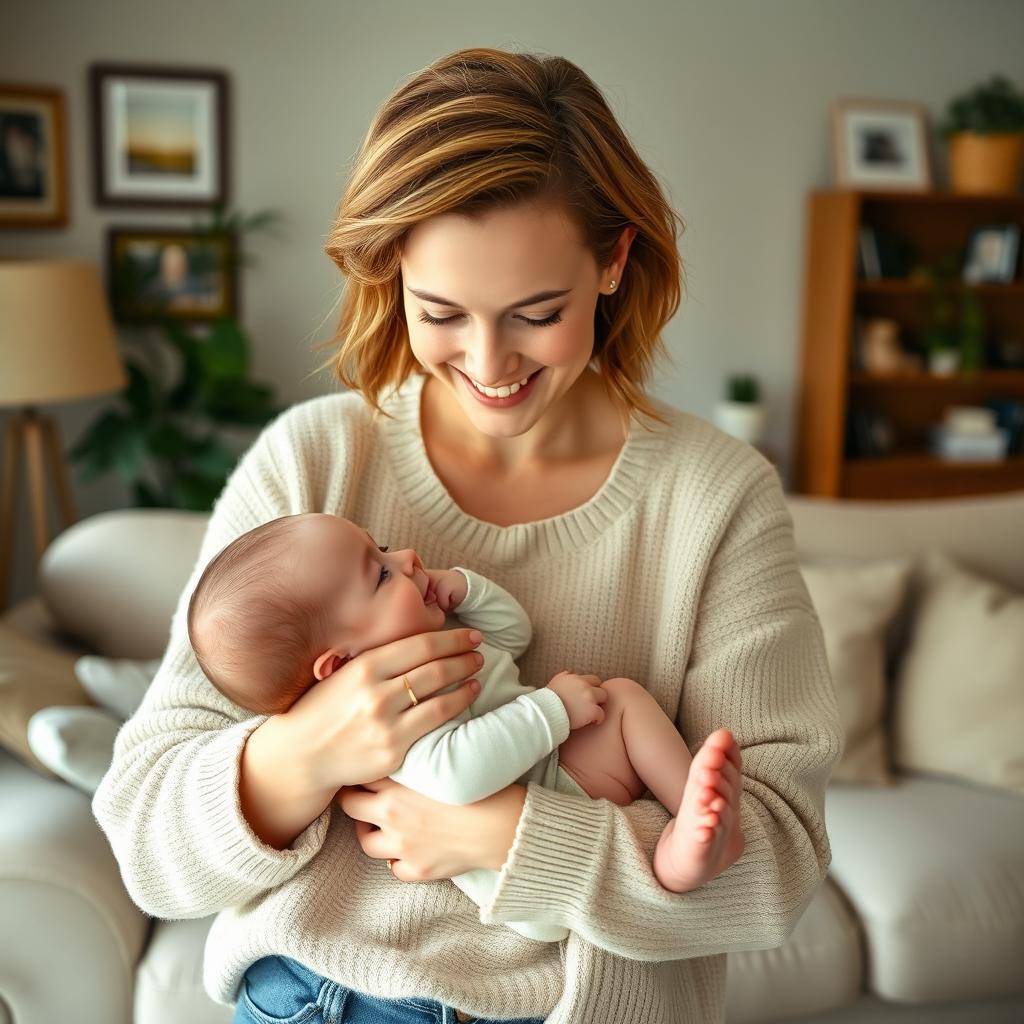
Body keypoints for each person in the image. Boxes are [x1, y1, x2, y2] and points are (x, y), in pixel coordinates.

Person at [92, 47, 843, 1024]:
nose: (490, 365)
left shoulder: (716, 496)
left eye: (537, 313)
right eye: (440, 313)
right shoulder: (314, 463)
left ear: (613, 260)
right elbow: (148, 843)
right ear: (392, 267)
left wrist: (505, 833)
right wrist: (308, 749)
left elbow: (777, 864)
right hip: (311, 993)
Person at [185, 511, 745, 941]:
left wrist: (468, 592)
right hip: (523, 879)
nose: (404, 555)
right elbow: (457, 776)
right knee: (614, 699)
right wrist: (552, 710)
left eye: (381, 546)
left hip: (557, 788)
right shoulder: (383, 726)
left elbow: (512, 640)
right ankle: (677, 855)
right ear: (339, 664)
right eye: (381, 574)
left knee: (624, 700)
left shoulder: (436, 648)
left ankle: (691, 819)